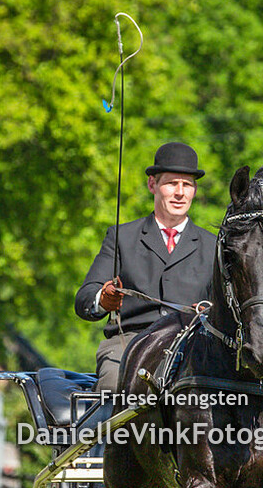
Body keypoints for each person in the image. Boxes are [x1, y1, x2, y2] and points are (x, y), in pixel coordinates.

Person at [75, 142, 217, 392]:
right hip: (129, 343)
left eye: (187, 185)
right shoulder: (122, 237)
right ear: (153, 185)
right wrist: (103, 299)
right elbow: (84, 298)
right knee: (111, 385)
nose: (180, 193)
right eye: (172, 183)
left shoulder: (213, 245)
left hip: (195, 346)